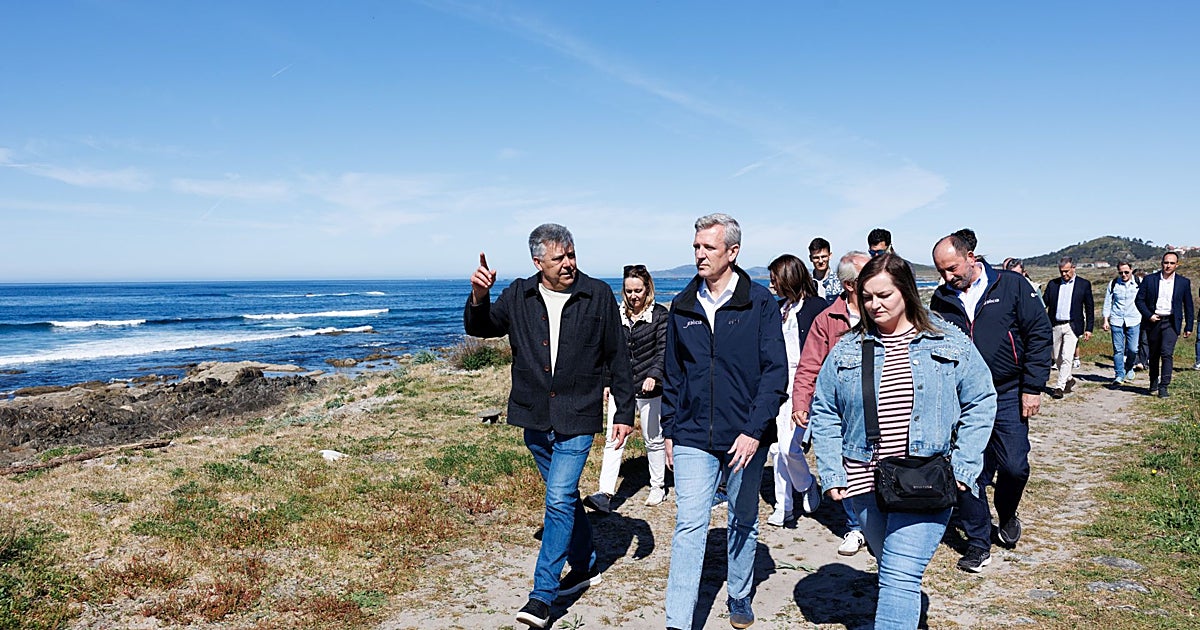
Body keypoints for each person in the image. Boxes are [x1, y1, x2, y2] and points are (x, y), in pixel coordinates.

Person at [810, 253, 997, 629]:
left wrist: (964, 465)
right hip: (863, 483)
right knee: (892, 569)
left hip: (925, 480)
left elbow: (982, 398)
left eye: (884, 295)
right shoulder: (848, 348)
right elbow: (825, 410)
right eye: (866, 297)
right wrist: (831, 473)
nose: (874, 305)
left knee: (899, 576)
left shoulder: (946, 339)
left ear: (907, 292)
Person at [464, 223, 636, 629]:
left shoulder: (597, 295)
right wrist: (479, 296)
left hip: (578, 413)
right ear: (537, 261)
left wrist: (625, 413)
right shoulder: (519, 294)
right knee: (564, 498)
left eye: (572, 254)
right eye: (559, 258)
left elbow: (618, 356)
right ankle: (586, 562)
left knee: (557, 499)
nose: (569, 264)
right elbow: (481, 327)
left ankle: (542, 597)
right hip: (534, 416)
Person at [662, 213, 788, 630]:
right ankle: (679, 621)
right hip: (693, 434)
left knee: (742, 518)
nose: (699, 254)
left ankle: (739, 593)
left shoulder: (760, 303)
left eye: (708, 247)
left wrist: (754, 431)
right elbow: (673, 373)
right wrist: (669, 430)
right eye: (696, 247)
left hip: (745, 435)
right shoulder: (682, 305)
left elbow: (775, 372)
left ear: (732, 252)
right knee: (689, 525)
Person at [930, 233, 1052, 572]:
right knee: (968, 472)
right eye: (941, 271)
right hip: (964, 397)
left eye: (951, 268)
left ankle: (1008, 512)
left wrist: (1033, 386)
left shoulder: (1011, 285)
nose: (946, 277)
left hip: (1009, 391)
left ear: (971, 257)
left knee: (1015, 466)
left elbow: (1039, 335)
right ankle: (979, 543)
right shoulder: (941, 299)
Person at [791, 250, 872, 556]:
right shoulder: (827, 319)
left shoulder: (882, 311)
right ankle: (854, 526)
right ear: (851, 284)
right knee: (847, 466)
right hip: (842, 407)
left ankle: (879, 522)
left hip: (880, 402)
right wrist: (802, 401)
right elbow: (809, 364)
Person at [584, 264, 669, 513]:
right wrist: (607, 382)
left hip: (650, 388)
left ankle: (658, 486)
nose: (633, 296)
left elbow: (663, 351)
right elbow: (609, 351)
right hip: (623, 389)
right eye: (629, 290)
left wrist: (654, 374)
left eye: (638, 290)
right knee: (613, 439)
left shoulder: (660, 316)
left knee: (653, 439)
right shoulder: (616, 316)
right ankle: (605, 493)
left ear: (648, 290)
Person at [765, 254, 827, 527]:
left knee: (791, 448)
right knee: (777, 449)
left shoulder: (817, 308)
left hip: (805, 384)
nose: (771, 285)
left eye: (774, 280)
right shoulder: (779, 309)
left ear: (788, 279)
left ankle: (806, 483)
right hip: (778, 384)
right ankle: (783, 506)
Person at [1134, 251, 1194, 398]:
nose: (1168, 266)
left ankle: (1164, 386)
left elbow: (1188, 305)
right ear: (1161, 263)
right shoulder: (1150, 280)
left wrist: (1189, 326)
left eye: (1172, 263)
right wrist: (1149, 315)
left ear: (1177, 265)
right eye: (1166, 262)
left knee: (1167, 353)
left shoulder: (1183, 282)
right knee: (1154, 355)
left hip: (1171, 322)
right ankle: (1153, 381)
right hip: (1154, 321)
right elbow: (1139, 300)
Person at [1042, 257, 1094, 398]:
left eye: (1066, 271)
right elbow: (1043, 303)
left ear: (1073, 268)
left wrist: (1089, 328)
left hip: (1072, 326)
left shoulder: (1083, 284)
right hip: (1055, 325)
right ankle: (1069, 379)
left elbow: (1089, 308)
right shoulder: (1053, 284)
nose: (1064, 274)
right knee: (1057, 356)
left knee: (1067, 356)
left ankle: (1059, 387)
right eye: (1061, 272)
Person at [1102, 262, 1141, 387]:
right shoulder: (1113, 284)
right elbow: (1108, 302)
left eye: (1126, 272)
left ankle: (1129, 367)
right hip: (1117, 320)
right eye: (1121, 273)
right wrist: (1105, 320)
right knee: (1118, 350)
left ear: (1131, 270)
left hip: (1134, 319)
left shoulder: (1139, 282)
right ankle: (1119, 374)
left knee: (1133, 349)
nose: (1123, 275)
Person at [809, 237, 841, 304]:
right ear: (810, 258)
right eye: (816, 257)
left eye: (824, 257)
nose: (820, 261)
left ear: (830, 256)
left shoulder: (840, 281)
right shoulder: (806, 282)